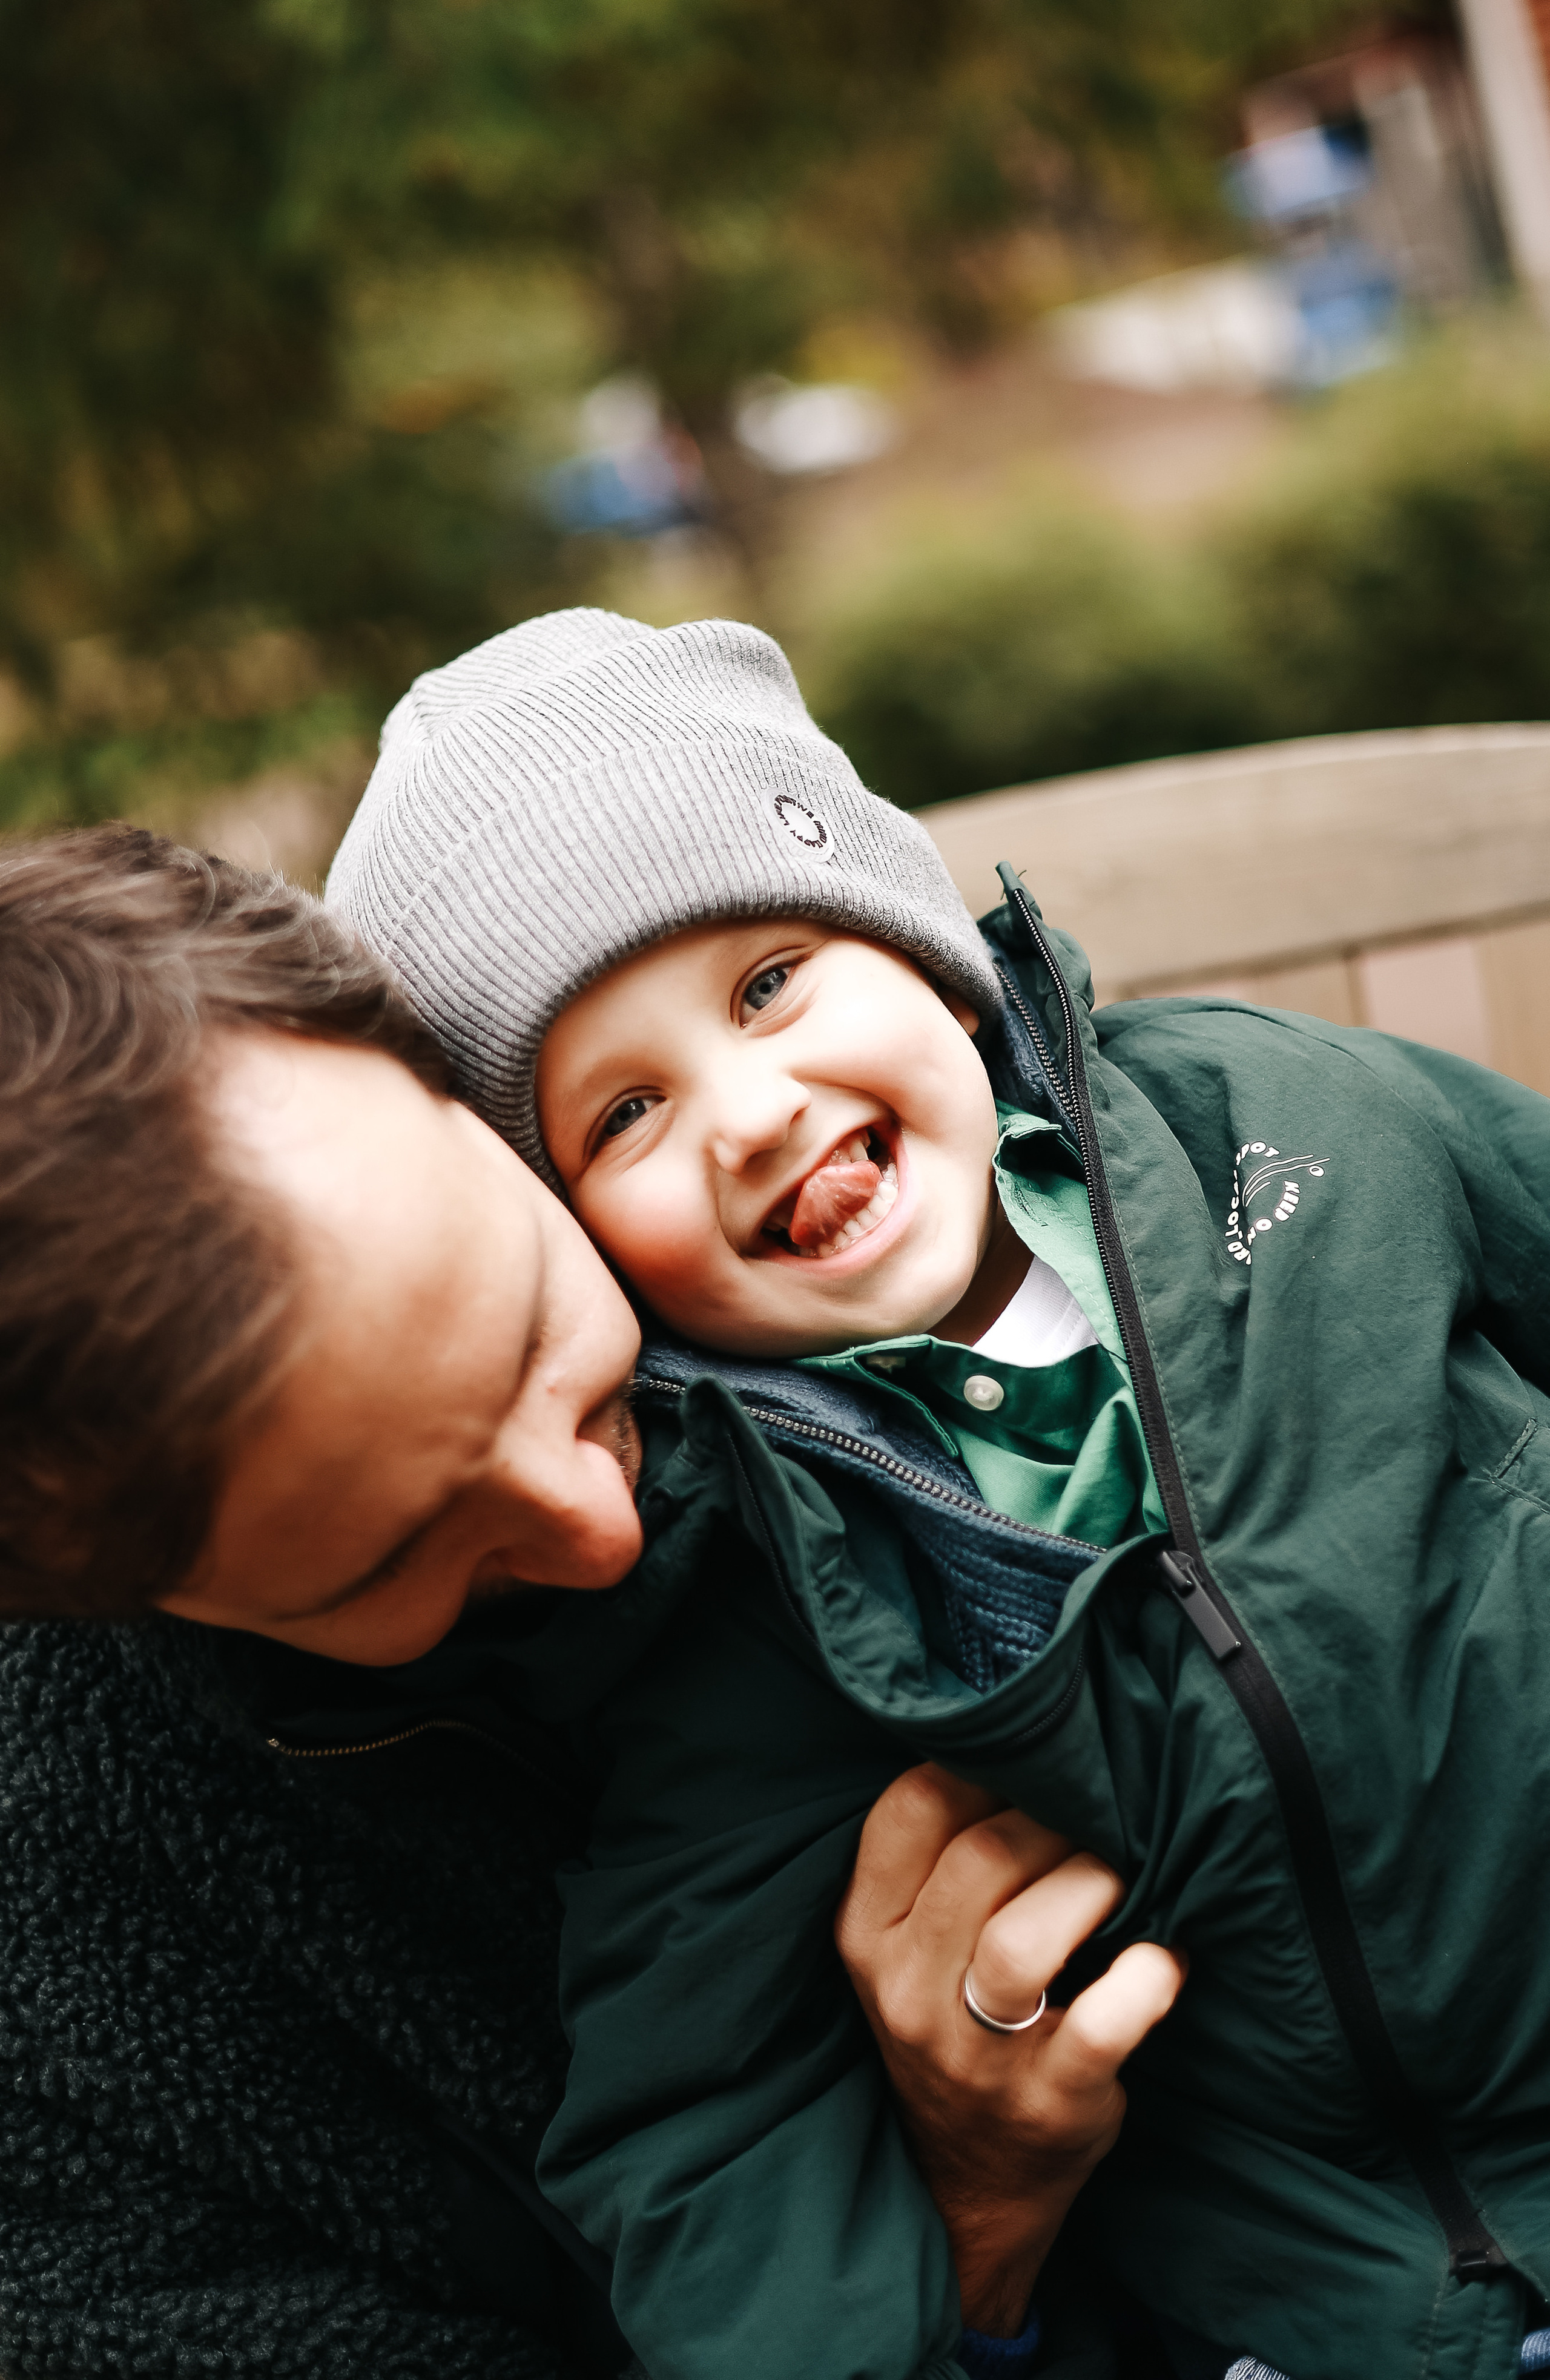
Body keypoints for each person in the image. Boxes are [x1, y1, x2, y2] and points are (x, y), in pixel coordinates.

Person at [328, 606, 1550, 2380]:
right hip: (1322, 2311)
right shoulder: (750, 1583)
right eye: (625, 1113)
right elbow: (702, 2110)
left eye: (767, 981)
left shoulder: (1282, 1120)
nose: (750, 1107)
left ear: (919, 953)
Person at [0, 824, 1162, 2380]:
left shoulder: (964, 1195)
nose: (595, 1528)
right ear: (123, 1603)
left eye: (531, 1324)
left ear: (447, 1080)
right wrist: (969, 2216)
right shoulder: (78, 2013)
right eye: (388, 1561)